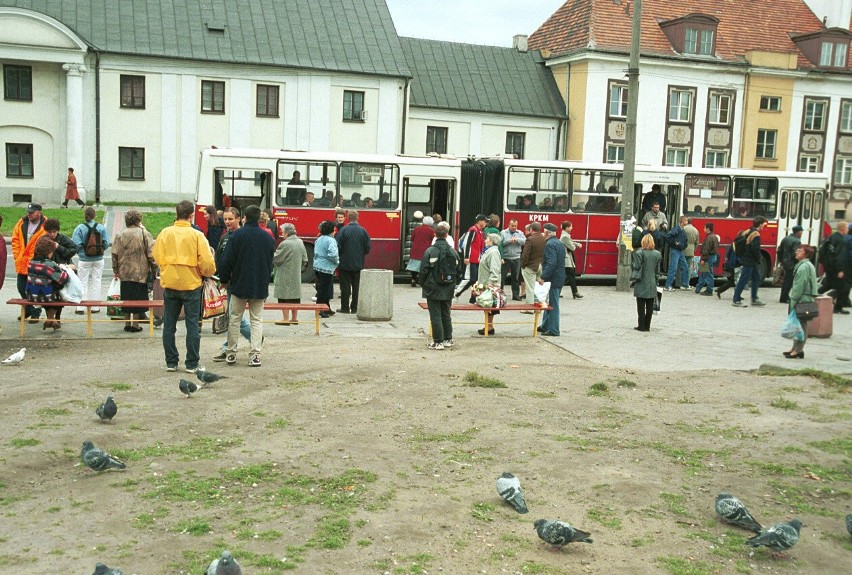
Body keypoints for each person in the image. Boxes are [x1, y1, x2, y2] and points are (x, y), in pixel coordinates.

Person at [152, 200, 217, 373]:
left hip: (171, 283)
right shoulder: (197, 235)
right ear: (191, 215)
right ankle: (192, 363)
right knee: (192, 325)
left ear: (176, 213)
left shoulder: (165, 233)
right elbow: (207, 262)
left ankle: (171, 362)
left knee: (169, 325)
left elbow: (156, 255)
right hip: (191, 284)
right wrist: (204, 273)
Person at [218, 205, 275, 367]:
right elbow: (270, 263)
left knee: (235, 318)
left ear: (244, 217)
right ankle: (255, 355)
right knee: (256, 320)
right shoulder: (268, 238)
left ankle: (231, 353)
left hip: (239, 284)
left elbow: (226, 261)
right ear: (259, 218)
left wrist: (224, 279)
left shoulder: (236, 236)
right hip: (259, 284)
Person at [212, 207, 252, 361]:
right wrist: (221, 278)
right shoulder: (224, 237)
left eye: (231, 219)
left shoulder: (241, 236)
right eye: (226, 219)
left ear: (239, 219)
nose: (227, 222)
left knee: (235, 318)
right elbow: (221, 258)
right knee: (233, 317)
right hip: (227, 282)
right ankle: (232, 345)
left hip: (238, 283)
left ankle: (253, 338)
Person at [111, 209, 156, 333]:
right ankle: (135, 324)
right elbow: (151, 254)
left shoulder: (119, 234)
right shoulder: (144, 233)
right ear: (138, 220)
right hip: (140, 272)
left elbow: (114, 254)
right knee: (138, 298)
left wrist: (116, 269)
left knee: (126, 297)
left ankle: (127, 323)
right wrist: (154, 268)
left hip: (124, 271)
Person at [421, 221, 458, 350]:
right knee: (446, 314)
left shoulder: (430, 251)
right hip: (448, 287)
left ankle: (438, 342)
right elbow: (458, 271)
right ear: (447, 235)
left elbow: (423, 270)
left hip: (433, 287)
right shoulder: (453, 251)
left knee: (435, 315)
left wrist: (424, 284)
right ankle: (448, 339)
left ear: (435, 235)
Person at [12, 203, 47, 323]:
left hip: (36, 264)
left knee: (35, 290)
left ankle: (35, 312)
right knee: (21, 288)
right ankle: (30, 310)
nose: (29, 214)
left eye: (32, 212)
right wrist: (17, 255)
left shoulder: (45, 225)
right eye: (28, 212)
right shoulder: (21, 222)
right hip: (22, 263)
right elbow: (15, 239)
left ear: (39, 213)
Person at [72, 207, 110, 315]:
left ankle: (81, 307)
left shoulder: (80, 228)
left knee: (82, 281)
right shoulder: (101, 227)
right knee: (96, 281)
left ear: (85, 215)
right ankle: (95, 306)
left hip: (84, 259)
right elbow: (106, 243)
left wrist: (83, 252)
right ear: (94, 215)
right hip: (98, 259)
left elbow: (76, 244)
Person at [26, 236, 69, 331]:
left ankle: (51, 320)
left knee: (46, 288)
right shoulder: (48, 264)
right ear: (49, 251)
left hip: (31, 295)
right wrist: (66, 269)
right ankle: (52, 319)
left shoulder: (31, 262)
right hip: (44, 296)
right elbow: (63, 279)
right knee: (58, 291)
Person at [784, 245, 818, 359]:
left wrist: (793, 299)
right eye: (797, 249)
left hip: (802, 299)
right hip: (804, 298)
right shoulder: (805, 265)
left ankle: (798, 350)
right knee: (798, 324)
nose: (797, 251)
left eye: (800, 250)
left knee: (801, 325)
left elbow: (799, 286)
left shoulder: (804, 267)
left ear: (806, 254)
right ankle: (795, 348)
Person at [43, 218, 78, 326]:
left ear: (57, 231)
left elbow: (72, 250)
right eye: (50, 232)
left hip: (61, 271)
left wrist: (59, 247)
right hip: (48, 271)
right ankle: (51, 318)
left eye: (54, 232)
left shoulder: (63, 239)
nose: (52, 234)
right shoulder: (43, 240)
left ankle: (56, 317)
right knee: (48, 295)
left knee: (60, 295)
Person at [336, 210, 371, 314]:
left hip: (344, 264)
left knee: (345, 287)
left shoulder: (343, 230)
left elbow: (338, 246)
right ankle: (355, 308)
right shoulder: (363, 231)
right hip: (358, 264)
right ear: (358, 218)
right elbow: (368, 248)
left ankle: (345, 308)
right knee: (356, 287)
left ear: (347, 218)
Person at [273, 222, 308, 325]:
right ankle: (294, 318)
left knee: (284, 296)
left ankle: (285, 318)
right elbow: (305, 258)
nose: (282, 234)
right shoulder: (300, 242)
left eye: (283, 232)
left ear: (287, 233)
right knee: (295, 296)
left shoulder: (285, 244)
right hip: (296, 273)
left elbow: (277, 259)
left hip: (285, 273)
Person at [732, 216, 768, 307]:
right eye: (764, 224)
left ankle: (754, 298)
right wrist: (759, 257)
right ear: (760, 224)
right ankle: (736, 299)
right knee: (743, 279)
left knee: (756, 277)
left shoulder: (748, 231)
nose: (764, 225)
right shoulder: (756, 234)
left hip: (747, 258)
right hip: (750, 260)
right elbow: (755, 248)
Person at [537, 223, 566, 336]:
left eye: (544, 232)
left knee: (553, 304)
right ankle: (545, 326)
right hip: (559, 277)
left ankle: (554, 330)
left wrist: (543, 277)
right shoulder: (558, 243)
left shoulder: (549, 244)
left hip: (553, 279)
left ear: (547, 233)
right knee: (549, 302)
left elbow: (551, 263)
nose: (543, 234)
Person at [630, 234, 662, 332]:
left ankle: (641, 325)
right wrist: (657, 281)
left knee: (640, 306)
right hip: (652, 282)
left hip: (641, 281)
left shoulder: (639, 253)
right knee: (649, 306)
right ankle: (647, 326)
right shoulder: (657, 254)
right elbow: (657, 271)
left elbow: (637, 266)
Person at [455, 214, 488, 302]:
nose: (485, 223)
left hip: (477, 259)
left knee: (475, 280)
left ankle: (473, 298)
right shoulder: (473, 230)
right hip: (471, 259)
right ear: (479, 221)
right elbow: (467, 243)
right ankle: (456, 293)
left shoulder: (480, 232)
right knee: (470, 278)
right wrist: (466, 257)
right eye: (484, 221)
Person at [476, 233, 503, 336]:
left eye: (487, 239)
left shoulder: (493, 252)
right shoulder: (489, 251)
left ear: (492, 241)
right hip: (485, 283)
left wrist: (492, 283)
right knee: (487, 305)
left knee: (489, 304)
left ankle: (490, 326)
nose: (485, 240)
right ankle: (488, 325)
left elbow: (495, 268)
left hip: (490, 284)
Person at [820, 221, 849, 315]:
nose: (848, 229)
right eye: (847, 227)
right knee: (842, 288)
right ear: (843, 228)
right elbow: (840, 256)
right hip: (836, 268)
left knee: (829, 285)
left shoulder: (832, 237)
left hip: (829, 266)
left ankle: (816, 296)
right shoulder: (841, 240)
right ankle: (838, 307)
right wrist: (840, 269)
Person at [313, 220, 339, 318]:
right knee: (324, 289)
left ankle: (326, 307)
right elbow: (333, 254)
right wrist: (336, 262)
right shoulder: (331, 240)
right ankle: (320, 309)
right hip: (326, 268)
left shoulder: (319, 239)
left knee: (322, 287)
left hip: (317, 266)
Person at [520, 221, 545, 311]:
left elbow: (525, 254)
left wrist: (523, 265)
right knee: (537, 286)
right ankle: (537, 305)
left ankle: (529, 308)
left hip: (530, 266)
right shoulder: (543, 238)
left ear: (531, 229)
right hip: (539, 265)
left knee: (530, 288)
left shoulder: (530, 239)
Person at [500, 219, 526, 301]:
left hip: (516, 258)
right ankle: (499, 294)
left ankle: (515, 295)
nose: (514, 227)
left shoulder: (520, 233)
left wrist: (517, 240)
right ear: (509, 225)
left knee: (515, 277)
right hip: (506, 258)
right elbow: (501, 243)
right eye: (512, 225)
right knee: (502, 277)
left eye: (515, 226)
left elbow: (525, 241)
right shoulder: (503, 233)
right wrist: (510, 241)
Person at [777, 225, 803, 304]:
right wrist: (798, 262)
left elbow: (779, 250)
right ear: (798, 232)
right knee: (789, 281)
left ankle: (784, 296)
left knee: (786, 280)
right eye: (801, 232)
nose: (801, 234)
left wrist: (781, 260)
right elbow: (795, 253)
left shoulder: (785, 238)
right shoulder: (797, 241)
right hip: (792, 263)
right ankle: (784, 298)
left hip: (785, 262)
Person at [408, 214, 435, 287]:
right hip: (426, 250)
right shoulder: (431, 230)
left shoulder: (417, 228)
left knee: (414, 266)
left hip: (415, 249)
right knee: (424, 267)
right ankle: (421, 281)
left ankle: (413, 279)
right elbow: (434, 240)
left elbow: (412, 238)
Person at [663, 216, 689, 292]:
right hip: (676, 250)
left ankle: (685, 284)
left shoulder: (681, 229)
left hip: (679, 250)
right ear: (682, 221)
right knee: (673, 268)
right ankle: (668, 286)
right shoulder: (676, 229)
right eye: (686, 221)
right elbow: (668, 236)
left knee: (685, 267)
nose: (687, 222)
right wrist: (675, 243)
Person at [560, 221, 583, 299]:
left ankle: (559, 291)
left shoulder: (565, 236)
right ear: (566, 228)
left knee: (565, 276)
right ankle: (575, 292)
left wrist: (576, 243)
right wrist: (576, 245)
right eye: (570, 226)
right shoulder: (565, 237)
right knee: (570, 276)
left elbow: (571, 242)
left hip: (567, 259)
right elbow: (572, 248)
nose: (571, 228)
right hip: (566, 259)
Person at [694, 223, 719, 296]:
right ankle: (698, 288)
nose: (703, 229)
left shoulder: (708, 238)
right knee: (704, 272)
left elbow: (706, 249)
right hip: (712, 257)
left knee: (707, 273)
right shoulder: (714, 236)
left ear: (708, 229)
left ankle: (709, 290)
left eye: (704, 228)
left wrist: (703, 259)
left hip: (707, 257)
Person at [683, 216, 700, 285]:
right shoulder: (695, 230)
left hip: (684, 250)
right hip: (691, 251)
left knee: (683, 267)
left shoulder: (684, 229)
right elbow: (697, 242)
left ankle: (682, 282)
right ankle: (687, 283)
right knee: (689, 268)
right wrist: (694, 249)